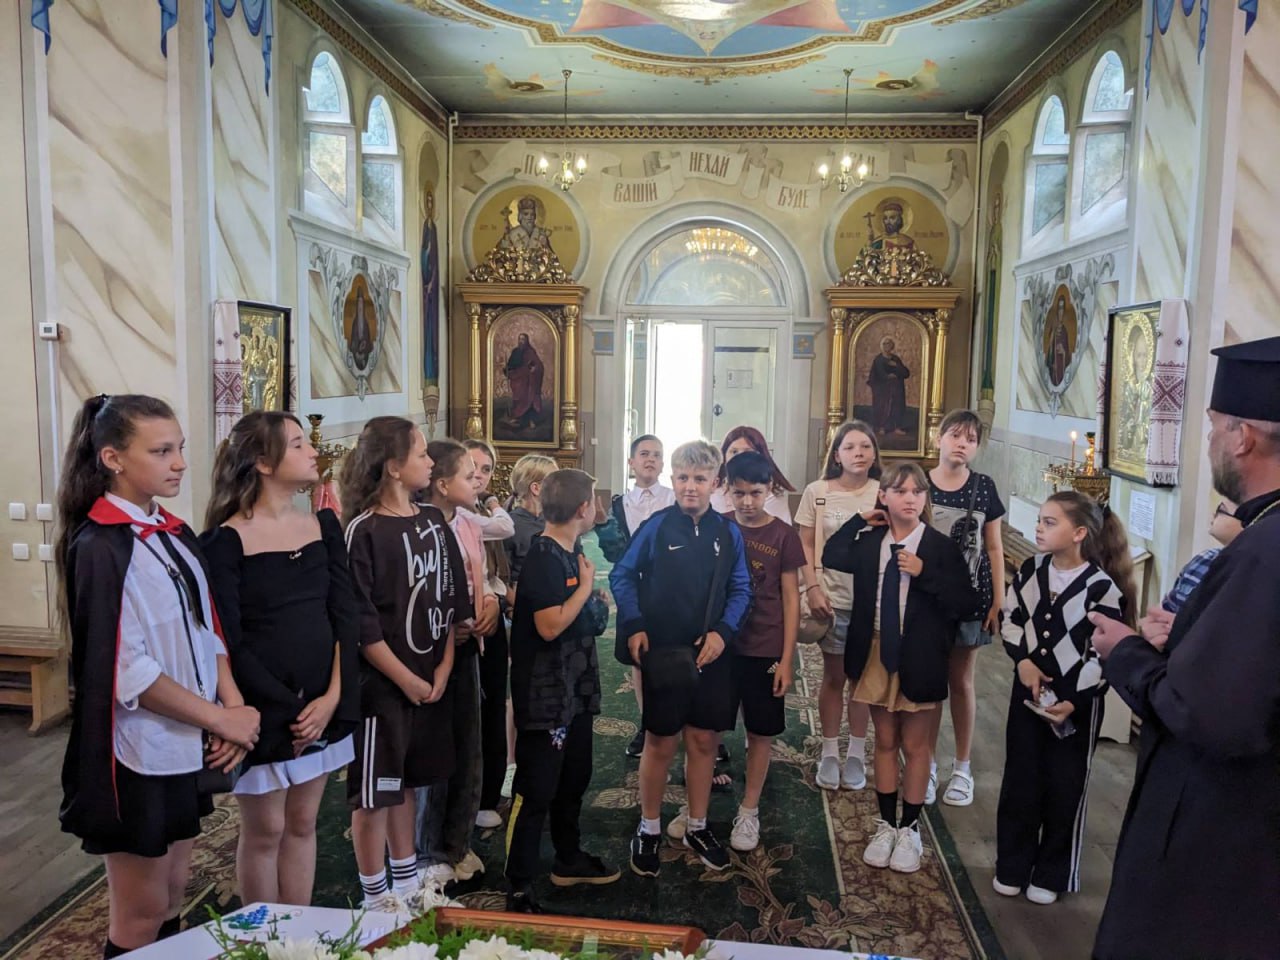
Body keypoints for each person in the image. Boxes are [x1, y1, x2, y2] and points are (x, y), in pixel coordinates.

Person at [1088, 336, 1280, 959]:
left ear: (1242, 437)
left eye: (1215, 425)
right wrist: (1192, 640)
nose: (1211, 440)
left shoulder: (1264, 550)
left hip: (1223, 834)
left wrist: (1126, 651)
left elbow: (1209, 713)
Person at [55, 394, 260, 957]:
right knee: (140, 911)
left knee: (171, 894)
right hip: (138, 754)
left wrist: (232, 706)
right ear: (113, 458)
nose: (180, 463)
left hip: (184, 739)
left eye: (180, 449)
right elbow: (128, 671)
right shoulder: (100, 545)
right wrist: (218, 717)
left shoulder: (171, 531)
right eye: (162, 451)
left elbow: (204, 627)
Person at [201, 412, 361, 907]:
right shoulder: (225, 541)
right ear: (263, 462)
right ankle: (263, 935)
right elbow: (228, 639)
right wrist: (291, 709)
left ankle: (299, 930)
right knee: (266, 828)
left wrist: (332, 697)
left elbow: (344, 615)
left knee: (303, 822)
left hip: (322, 704)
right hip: (265, 706)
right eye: (297, 444)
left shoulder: (323, 525)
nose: (313, 452)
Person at [339, 417, 472, 909]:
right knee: (376, 793)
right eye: (420, 454)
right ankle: (376, 896)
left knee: (409, 783)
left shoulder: (433, 521)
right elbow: (362, 623)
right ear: (394, 467)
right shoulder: (364, 531)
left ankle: (407, 881)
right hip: (383, 688)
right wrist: (405, 678)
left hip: (431, 676)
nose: (430, 462)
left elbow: (450, 601)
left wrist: (442, 669)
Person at [823, 462, 976, 874]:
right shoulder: (870, 541)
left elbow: (965, 602)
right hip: (876, 649)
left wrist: (925, 574)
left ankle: (910, 828)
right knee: (885, 740)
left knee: (916, 744)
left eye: (917, 492)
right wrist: (859, 520)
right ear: (884, 496)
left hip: (921, 654)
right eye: (901, 491)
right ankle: (886, 824)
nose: (910, 498)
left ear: (925, 498)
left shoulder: (939, 548)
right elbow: (831, 554)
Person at [610, 440, 752, 877]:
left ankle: (697, 825)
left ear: (715, 483)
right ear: (674, 480)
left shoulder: (727, 532)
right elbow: (622, 575)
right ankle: (649, 826)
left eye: (700, 479)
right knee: (661, 741)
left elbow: (741, 587)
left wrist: (724, 632)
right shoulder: (655, 527)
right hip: (665, 651)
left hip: (712, 651)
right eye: (684, 478)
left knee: (704, 740)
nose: (691, 486)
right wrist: (635, 623)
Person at [995, 492, 1132, 906]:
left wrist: (1073, 699)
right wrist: (1023, 662)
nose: (1039, 528)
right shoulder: (1031, 570)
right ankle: (1012, 864)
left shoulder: (1101, 588)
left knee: (1064, 785)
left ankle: (1052, 870)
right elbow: (1011, 618)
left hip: (1077, 704)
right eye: (1040, 520)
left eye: (1050, 522)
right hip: (1028, 692)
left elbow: (1103, 653)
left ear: (1079, 533)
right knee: (1020, 779)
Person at [505, 469, 619, 913]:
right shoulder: (543, 556)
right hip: (545, 694)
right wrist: (588, 590)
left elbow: (580, 618)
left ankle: (567, 858)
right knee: (537, 789)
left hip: (575, 687)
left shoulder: (572, 552)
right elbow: (549, 626)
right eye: (595, 501)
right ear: (583, 509)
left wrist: (591, 602)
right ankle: (518, 885)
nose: (598, 508)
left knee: (574, 777)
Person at [417, 440, 503, 887]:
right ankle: (427, 851)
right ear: (442, 484)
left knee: (469, 746)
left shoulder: (468, 523)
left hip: (470, 645)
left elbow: (481, 576)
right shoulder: (417, 527)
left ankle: (457, 842)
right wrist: (450, 627)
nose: (478, 482)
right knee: (435, 753)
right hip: (430, 654)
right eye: (470, 476)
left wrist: (490, 601)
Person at [721, 451, 805, 851]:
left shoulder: (783, 536)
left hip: (765, 645)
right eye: (739, 493)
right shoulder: (720, 527)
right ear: (728, 490)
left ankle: (749, 809)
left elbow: (791, 598)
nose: (747, 502)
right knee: (707, 727)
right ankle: (695, 805)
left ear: (769, 489)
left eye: (755, 493)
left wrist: (787, 659)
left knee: (760, 730)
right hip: (721, 644)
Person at [925, 410, 1006, 807]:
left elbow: (993, 546)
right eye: (955, 435)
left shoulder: (983, 486)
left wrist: (998, 598)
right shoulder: (920, 484)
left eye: (970, 439)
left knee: (961, 681)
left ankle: (962, 767)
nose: (962, 444)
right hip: (926, 597)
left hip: (971, 596)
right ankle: (926, 764)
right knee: (928, 683)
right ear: (938, 438)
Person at [797, 421, 883, 792]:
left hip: (871, 601)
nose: (858, 453)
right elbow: (805, 544)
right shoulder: (817, 492)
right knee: (834, 677)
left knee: (861, 680)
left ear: (874, 453)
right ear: (836, 455)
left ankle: (857, 753)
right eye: (849, 447)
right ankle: (830, 751)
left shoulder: (884, 492)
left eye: (865, 446)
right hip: (832, 599)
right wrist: (813, 587)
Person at [593, 434, 675, 759]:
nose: (650, 459)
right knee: (639, 657)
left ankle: (690, 722)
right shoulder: (619, 505)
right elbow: (615, 554)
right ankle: (647, 723)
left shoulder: (675, 500)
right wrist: (603, 525)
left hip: (671, 591)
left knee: (675, 654)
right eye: (644, 454)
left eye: (656, 454)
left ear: (663, 463)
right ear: (631, 462)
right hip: (634, 593)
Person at [462, 439, 517, 830]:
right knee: (465, 713)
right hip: (459, 627)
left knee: (494, 705)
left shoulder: (483, 512)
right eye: (471, 468)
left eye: (486, 470)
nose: (479, 477)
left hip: (490, 619)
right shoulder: (446, 516)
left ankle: (488, 793)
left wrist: (496, 601)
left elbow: (495, 574)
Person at [1160, 497, 1241, 614]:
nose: (1213, 514)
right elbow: (1167, 609)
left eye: (1221, 510)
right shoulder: (1205, 559)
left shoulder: (1254, 572)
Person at [709, 425, 795, 524]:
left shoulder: (772, 495)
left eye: (748, 452)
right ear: (724, 457)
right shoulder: (713, 492)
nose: (740, 458)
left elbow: (780, 530)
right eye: (734, 452)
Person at [868, 338, 910, 437]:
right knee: (883, 407)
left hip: (896, 388)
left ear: (892, 346)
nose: (887, 346)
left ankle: (897, 427)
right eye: (885, 344)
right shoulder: (878, 360)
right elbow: (878, 374)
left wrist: (896, 366)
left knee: (897, 406)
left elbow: (906, 373)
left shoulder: (895, 359)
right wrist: (888, 376)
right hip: (883, 389)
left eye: (889, 344)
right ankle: (881, 427)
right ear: (882, 346)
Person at [504, 333, 545, 432]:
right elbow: (510, 365)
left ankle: (531, 420)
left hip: (528, 381)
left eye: (523, 339)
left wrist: (535, 368)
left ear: (526, 340)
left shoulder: (530, 352)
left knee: (529, 398)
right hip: (518, 380)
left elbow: (538, 365)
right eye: (519, 339)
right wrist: (507, 369)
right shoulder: (515, 352)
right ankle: (517, 418)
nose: (521, 341)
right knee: (518, 399)